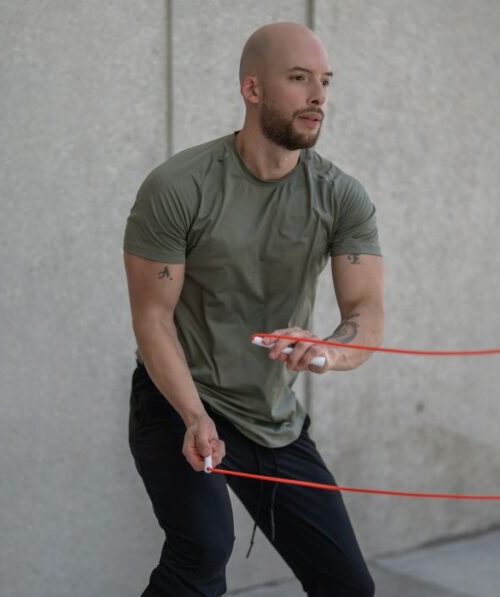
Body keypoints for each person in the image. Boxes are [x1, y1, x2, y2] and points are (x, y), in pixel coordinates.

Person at [123, 21, 384, 596]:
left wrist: (329, 352)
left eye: (325, 82)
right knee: (201, 552)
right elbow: (152, 319)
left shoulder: (341, 197)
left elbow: (366, 311)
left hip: (270, 417)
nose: (318, 96)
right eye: (298, 79)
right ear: (253, 90)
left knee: (349, 588)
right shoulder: (179, 187)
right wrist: (195, 417)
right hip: (180, 399)